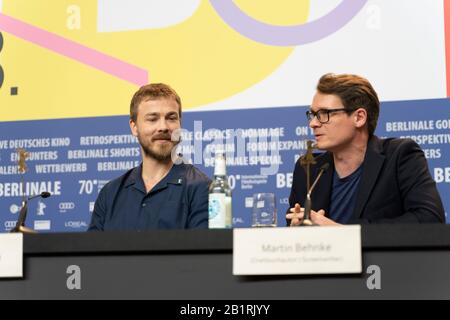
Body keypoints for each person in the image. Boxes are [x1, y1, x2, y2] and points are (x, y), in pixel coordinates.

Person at [287, 73, 445, 226]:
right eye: (313, 114)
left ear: (359, 117)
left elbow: (429, 219)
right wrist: (297, 228)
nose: (313, 123)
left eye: (324, 114)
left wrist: (342, 232)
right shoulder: (308, 168)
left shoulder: (400, 156)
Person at [88, 83, 211, 231]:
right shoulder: (110, 194)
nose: (163, 127)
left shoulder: (201, 189)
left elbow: (204, 252)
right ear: (134, 127)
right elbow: (93, 253)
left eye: (171, 118)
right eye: (152, 119)